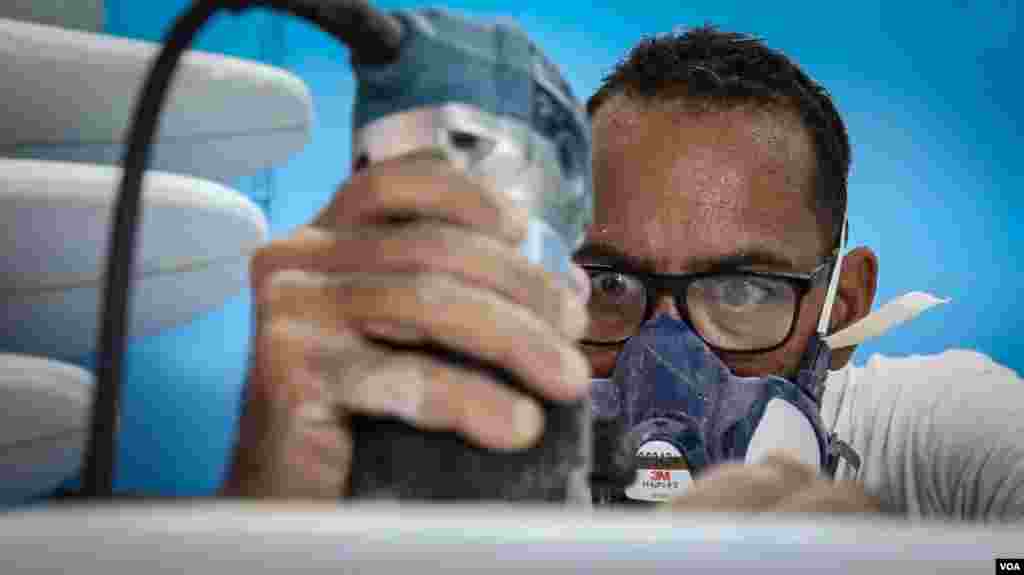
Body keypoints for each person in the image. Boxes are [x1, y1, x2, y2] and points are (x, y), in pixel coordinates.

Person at [220, 25, 1024, 521]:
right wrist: (273, 525)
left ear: (840, 304)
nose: (661, 362)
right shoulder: (480, 446)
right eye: (608, 284)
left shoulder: (940, 440)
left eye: (743, 289)